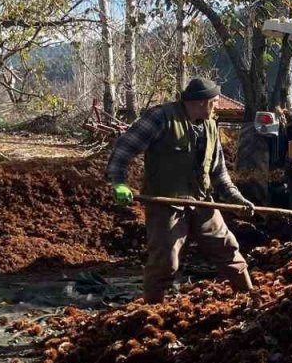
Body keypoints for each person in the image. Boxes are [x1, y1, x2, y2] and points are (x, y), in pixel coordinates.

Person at [107, 78, 255, 303]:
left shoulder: (210, 126)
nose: (217, 107)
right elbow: (123, 148)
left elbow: (219, 173)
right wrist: (118, 182)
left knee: (227, 250)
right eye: (214, 102)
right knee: (166, 262)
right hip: (166, 204)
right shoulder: (160, 117)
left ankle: (251, 299)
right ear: (201, 102)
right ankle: (152, 310)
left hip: (202, 202)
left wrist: (237, 199)